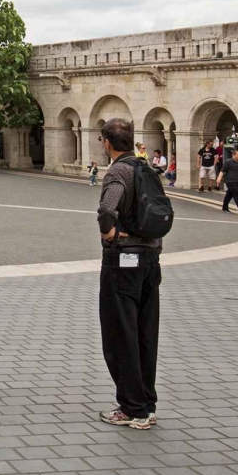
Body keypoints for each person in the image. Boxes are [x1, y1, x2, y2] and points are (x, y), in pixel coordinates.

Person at [95, 118, 162, 429]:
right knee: (145, 333)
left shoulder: (118, 171)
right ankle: (146, 404)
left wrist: (108, 232)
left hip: (123, 261)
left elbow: (107, 208)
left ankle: (132, 408)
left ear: (107, 143)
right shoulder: (145, 167)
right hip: (150, 259)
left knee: (120, 333)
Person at [218, 148, 238, 214]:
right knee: (236, 194)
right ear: (233, 155)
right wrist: (219, 178)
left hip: (237, 182)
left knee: (229, 195)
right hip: (230, 181)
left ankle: (225, 208)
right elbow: (222, 170)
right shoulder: (228, 162)